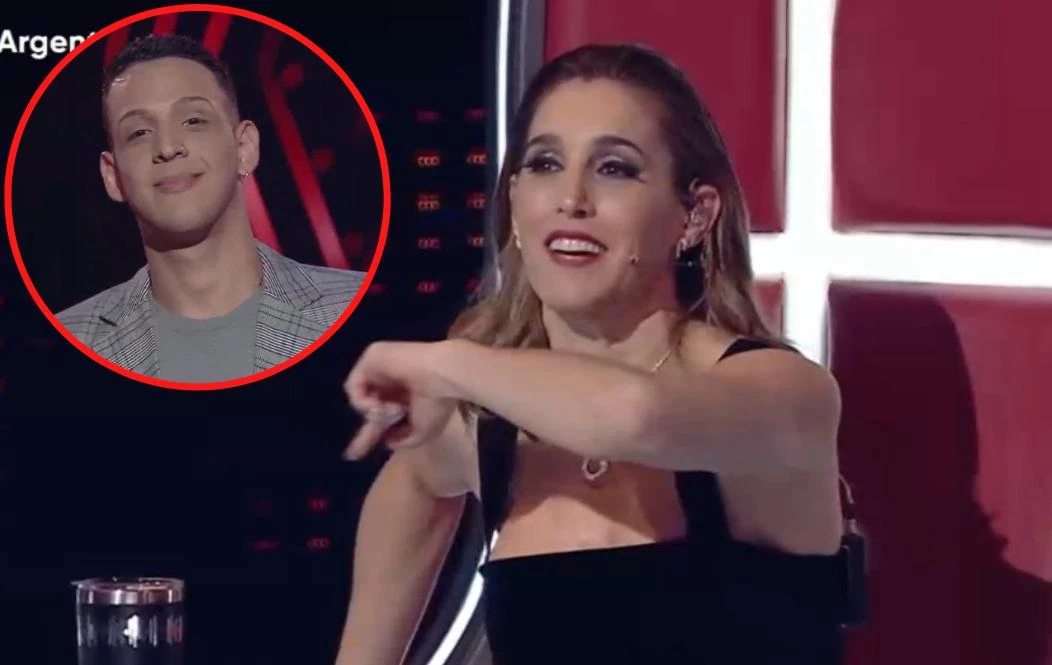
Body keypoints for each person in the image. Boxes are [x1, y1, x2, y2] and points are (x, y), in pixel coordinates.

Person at [336, 43, 853, 665]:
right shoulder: (481, 429)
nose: (571, 198)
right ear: (514, 202)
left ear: (693, 216)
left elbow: (637, 417)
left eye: (614, 168)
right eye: (545, 163)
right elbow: (417, 482)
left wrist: (443, 364)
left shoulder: (785, 393)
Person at [56, 34, 365, 382]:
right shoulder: (67, 342)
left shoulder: (357, 309)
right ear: (113, 177)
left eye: (193, 121)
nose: (168, 147)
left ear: (244, 148)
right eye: (139, 132)